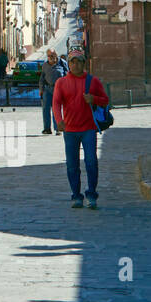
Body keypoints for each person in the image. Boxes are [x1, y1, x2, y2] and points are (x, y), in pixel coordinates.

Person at [52, 51, 108, 209]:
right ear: (68, 64)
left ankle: (91, 194)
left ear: (84, 64)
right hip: (70, 130)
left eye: (79, 62)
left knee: (91, 162)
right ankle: (76, 195)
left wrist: (94, 99)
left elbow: (106, 100)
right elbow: (56, 103)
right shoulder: (61, 83)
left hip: (88, 128)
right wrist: (59, 120)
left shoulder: (93, 81)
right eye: (72, 62)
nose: (75, 65)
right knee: (72, 164)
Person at [38, 49, 64, 135]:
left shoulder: (62, 63)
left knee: (56, 109)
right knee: (45, 109)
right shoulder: (45, 65)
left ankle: (58, 128)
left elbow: (68, 75)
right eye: (48, 56)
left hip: (58, 90)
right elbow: (42, 78)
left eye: (52, 55)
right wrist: (41, 89)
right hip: (47, 89)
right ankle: (47, 128)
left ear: (56, 55)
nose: (50, 58)